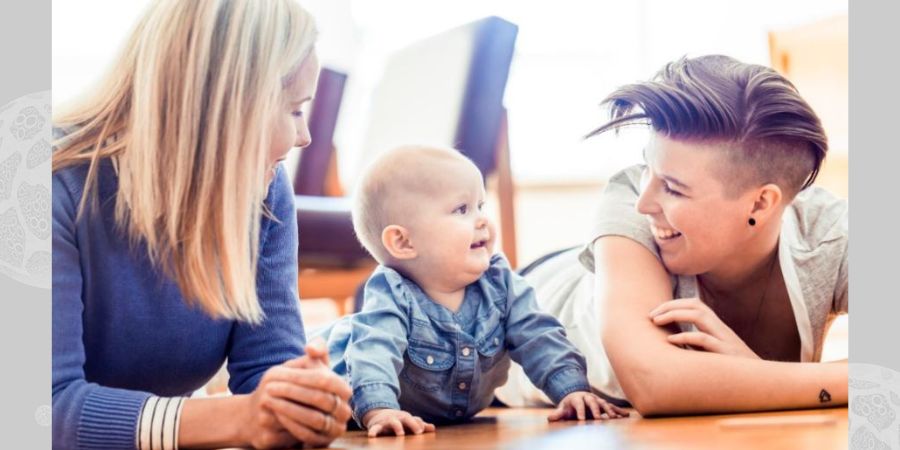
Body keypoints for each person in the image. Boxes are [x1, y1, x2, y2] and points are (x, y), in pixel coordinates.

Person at [51, 1, 352, 448]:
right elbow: (41, 412)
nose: (304, 136)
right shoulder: (45, 182)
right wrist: (236, 419)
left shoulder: (263, 189)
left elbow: (267, 373)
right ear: (227, 107)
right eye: (293, 110)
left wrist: (301, 407)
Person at [495, 54, 848, 415]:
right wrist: (855, 378)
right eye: (649, 168)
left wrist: (753, 371)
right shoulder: (629, 198)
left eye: (675, 189)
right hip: (516, 305)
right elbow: (653, 383)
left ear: (760, 204)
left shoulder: (830, 235)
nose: (644, 202)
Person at [314, 146, 628, 437]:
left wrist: (572, 390)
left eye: (480, 205)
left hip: (440, 412)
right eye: (462, 209)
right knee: (296, 375)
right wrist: (380, 410)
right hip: (331, 378)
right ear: (403, 242)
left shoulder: (500, 283)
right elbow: (374, 351)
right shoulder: (392, 293)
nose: (482, 221)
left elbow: (538, 335)